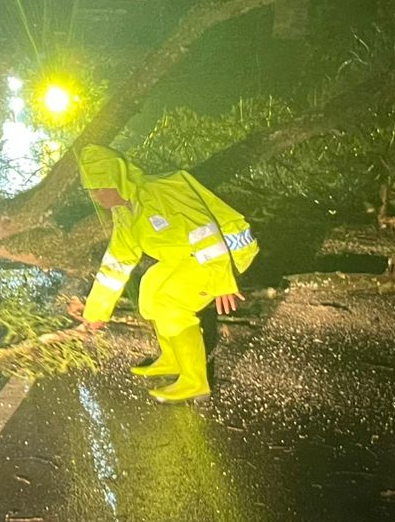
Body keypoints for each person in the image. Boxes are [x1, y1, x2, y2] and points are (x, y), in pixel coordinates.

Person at [67, 145, 259, 403]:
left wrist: (222, 281)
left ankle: (195, 382)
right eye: (90, 189)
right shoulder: (125, 212)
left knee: (171, 304)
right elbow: (117, 262)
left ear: (117, 179)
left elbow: (205, 232)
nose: (95, 195)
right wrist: (96, 312)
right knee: (150, 290)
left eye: (99, 187)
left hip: (225, 253)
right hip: (185, 256)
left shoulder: (162, 189)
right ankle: (173, 359)